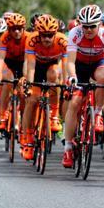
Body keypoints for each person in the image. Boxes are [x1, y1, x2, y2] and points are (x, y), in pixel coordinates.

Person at [62, 4, 104, 168]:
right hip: (79, 66)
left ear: (99, 24)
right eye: (85, 26)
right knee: (74, 104)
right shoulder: (75, 33)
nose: (88, 30)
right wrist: (72, 77)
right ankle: (68, 148)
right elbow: (70, 61)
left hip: (97, 64)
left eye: (92, 26)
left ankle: (98, 113)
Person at [21, 14, 68, 161]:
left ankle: (54, 115)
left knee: (55, 75)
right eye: (43, 35)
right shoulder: (32, 40)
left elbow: (65, 65)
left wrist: (66, 83)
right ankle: (27, 138)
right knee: (32, 101)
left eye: (50, 35)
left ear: (55, 33)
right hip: (36, 68)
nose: (47, 39)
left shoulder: (62, 40)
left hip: (51, 66)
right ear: (38, 34)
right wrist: (29, 84)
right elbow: (31, 66)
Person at [0, 13, 32, 131]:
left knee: (23, 92)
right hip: (9, 62)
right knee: (8, 82)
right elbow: (0, 58)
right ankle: (2, 116)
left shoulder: (28, 37)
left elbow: (27, 60)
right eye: (13, 29)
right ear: (9, 29)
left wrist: (25, 76)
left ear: (24, 28)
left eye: (19, 28)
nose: (16, 32)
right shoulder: (5, 37)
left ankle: (22, 114)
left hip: (23, 63)